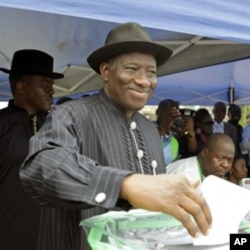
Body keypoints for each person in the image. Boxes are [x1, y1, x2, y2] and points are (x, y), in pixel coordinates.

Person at [20, 22, 212, 250]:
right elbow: (42, 166)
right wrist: (124, 184)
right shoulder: (72, 115)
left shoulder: (150, 130)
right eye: (131, 69)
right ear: (106, 72)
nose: (143, 80)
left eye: (151, 72)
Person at [0, 49, 64, 250]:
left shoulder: (57, 127)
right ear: (21, 87)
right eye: (45, 85)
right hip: (9, 236)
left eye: (52, 85)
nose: (52, 91)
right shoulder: (2, 125)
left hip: (52, 236)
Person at [166, 133, 235, 185]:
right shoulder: (184, 176)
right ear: (204, 153)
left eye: (230, 160)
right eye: (220, 158)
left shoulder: (213, 175)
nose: (226, 165)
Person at [155, 99, 181, 165]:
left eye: (174, 113)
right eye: (168, 112)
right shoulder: (146, 129)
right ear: (157, 112)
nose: (170, 116)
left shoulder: (174, 140)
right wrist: (164, 126)